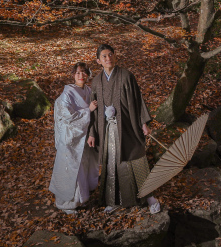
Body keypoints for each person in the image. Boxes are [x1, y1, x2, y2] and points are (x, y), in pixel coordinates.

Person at [87, 44, 160, 213]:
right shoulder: (96, 81)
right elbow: (94, 109)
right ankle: (113, 200)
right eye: (104, 56)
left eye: (110, 54)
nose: (108, 58)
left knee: (136, 159)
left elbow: (137, 100)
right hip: (106, 129)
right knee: (111, 164)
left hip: (127, 126)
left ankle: (150, 197)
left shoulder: (126, 76)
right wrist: (92, 133)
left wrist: (143, 123)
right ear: (98, 61)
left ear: (115, 56)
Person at [48, 62, 99, 214]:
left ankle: (80, 199)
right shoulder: (68, 93)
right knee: (71, 169)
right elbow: (67, 116)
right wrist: (88, 110)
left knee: (82, 167)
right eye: (77, 73)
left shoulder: (88, 90)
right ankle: (66, 204)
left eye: (84, 72)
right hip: (70, 136)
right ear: (73, 75)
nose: (81, 75)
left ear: (88, 74)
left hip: (83, 136)